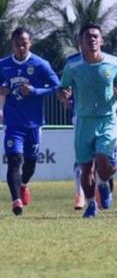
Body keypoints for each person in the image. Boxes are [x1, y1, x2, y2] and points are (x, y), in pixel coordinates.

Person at [57, 24, 117, 218]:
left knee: (104, 162)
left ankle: (104, 183)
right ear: (81, 41)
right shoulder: (72, 65)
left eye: (96, 36)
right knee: (86, 167)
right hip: (84, 121)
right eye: (87, 37)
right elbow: (62, 89)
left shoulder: (113, 63)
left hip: (107, 119)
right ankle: (90, 204)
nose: (92, 39)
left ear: (102, 40)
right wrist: (63, 95)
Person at [0, 27, 60, 215]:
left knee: (30, 164)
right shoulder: (3, 64)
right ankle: (16, 200)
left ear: (30, 43)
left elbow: (57, 86)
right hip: (13, 123)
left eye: (24, 43)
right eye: (17, 44)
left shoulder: (40, 64)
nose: (21, 47)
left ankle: (24, 184)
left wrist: (35, 91)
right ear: (12, 44)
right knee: (14, 160)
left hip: (33, 124)